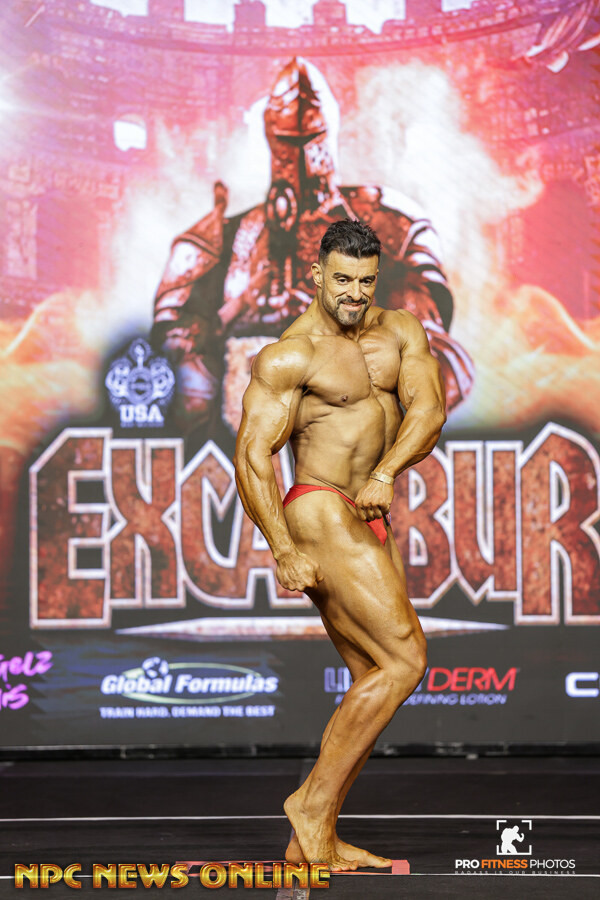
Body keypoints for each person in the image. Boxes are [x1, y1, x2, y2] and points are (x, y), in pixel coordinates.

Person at [234, 218, 446, 871]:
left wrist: (386, 472)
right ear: (317, 274)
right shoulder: (291, 355)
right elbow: (252, 456)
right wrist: (282, 548)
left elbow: (429, 412)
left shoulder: (400, 331)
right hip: (321, 508)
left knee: (373, 676)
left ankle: (314, 839)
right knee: (405, 659)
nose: (354, 293)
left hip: (367, 510)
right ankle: (309, 803)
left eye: (365, 280)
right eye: (342, 279)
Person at [151, 57, 471, 439]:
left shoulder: (389, 224)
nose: (300, 157)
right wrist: (231, 316)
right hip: (240, 437)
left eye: (309, 140)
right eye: (288, 142)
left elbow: (436, 360)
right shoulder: (226, 237)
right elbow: (171, 358)